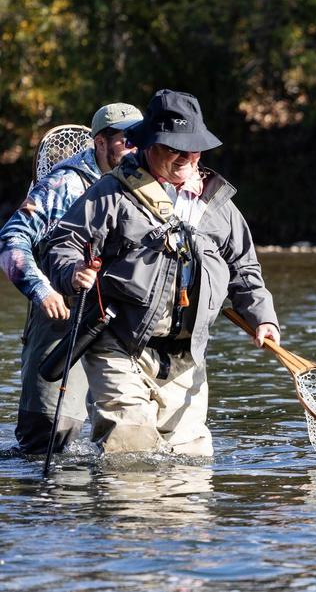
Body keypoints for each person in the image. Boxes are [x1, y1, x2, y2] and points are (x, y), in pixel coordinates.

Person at [46, 89, 279, 457]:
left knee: (190, 465)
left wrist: (263, 318)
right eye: (176, 149)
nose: (188, 157)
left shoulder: (218, 204)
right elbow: (61, 242)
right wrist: (72, 272)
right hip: (118, 343)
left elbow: (244, 269)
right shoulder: (112, 193)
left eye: (194, 149)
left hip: (186, 355)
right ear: (150, 146)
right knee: (129, 452)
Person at [0, 102, 144, 454]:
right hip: (62, 317)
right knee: (48, 435)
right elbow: (11, 238)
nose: (135, 147)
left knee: (125, 440)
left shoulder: (143, 181)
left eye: (140, 139)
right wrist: (41, 289)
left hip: (116, 322)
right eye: (127, 140)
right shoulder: (63, 183)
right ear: (99, 141)